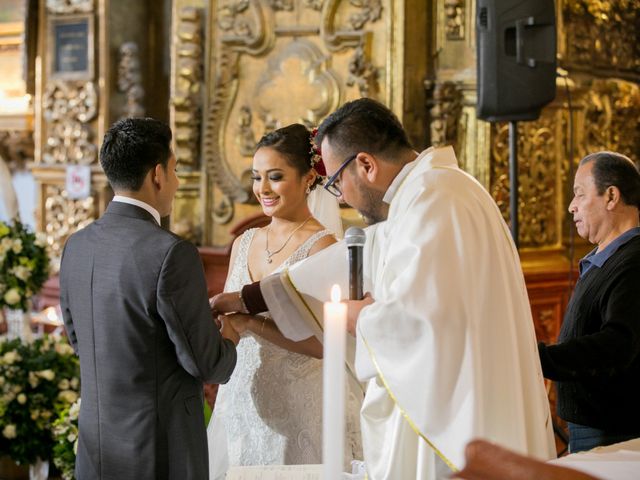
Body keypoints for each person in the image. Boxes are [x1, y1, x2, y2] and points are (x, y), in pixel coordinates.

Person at [212, 98, 555, 479]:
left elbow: (416, 319)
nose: (338, 196)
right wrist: (247, 297)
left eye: (336, 181)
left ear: (366, 165)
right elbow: (346, 261)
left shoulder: (434, 200)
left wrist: (357, 315)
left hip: (458, 407)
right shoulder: (424, 195)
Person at [59, 118, 237, 480]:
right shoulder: (171, 253)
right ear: (157, 174)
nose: (176, 181)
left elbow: (79, 340)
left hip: (96, 449)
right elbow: (208, 365)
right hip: (159, 451)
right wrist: (232, 333)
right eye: (175, 169)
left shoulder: (75, 246)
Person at [207, 123, 362, 474]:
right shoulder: (244, 242)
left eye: (275, 177)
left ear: (308, 178)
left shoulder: (323, 247)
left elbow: (327, 342)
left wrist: (248, 322)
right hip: (241, 403)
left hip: (300, 406)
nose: (262, 188)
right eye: (256, 176)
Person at [538, 151, 640, 453]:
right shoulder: (608, 259)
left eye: (579, 194)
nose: (571, 206)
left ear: (611, 196)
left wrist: (540, 360)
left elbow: (618, 344)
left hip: (610, 432)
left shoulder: (633, 262)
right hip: (593, 428)